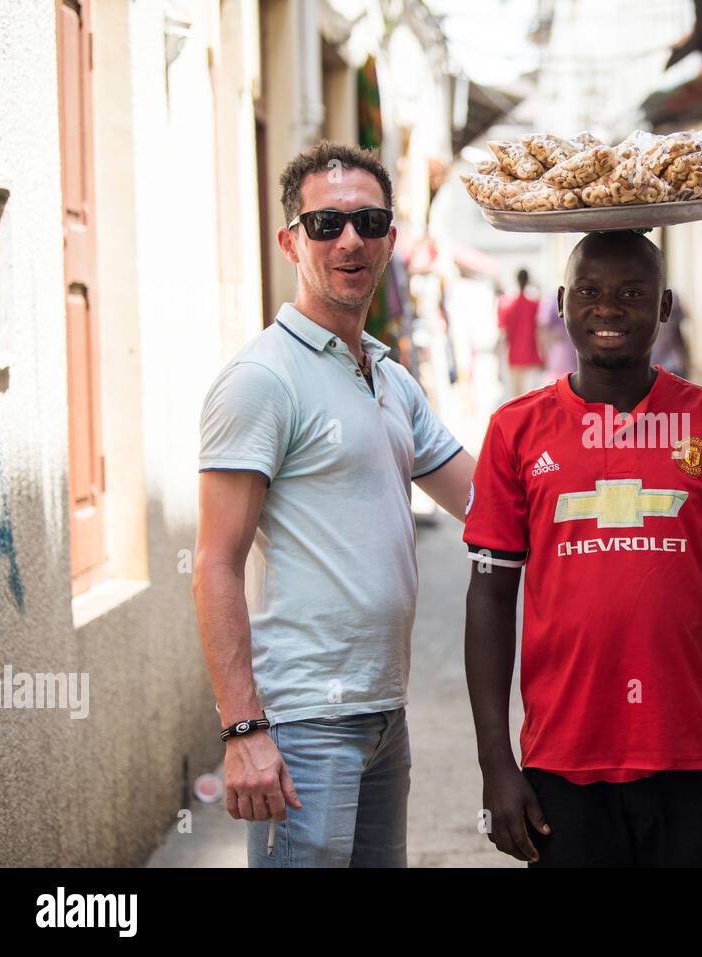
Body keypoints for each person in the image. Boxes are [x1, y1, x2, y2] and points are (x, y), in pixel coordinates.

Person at [463, 231, 702, 867]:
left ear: (664, 307)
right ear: (561, 303)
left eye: (632, 293)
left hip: (694, 754)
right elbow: (490, 593)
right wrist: (497, 764)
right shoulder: (516, 429)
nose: (608, 309)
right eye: (588, 292)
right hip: (564, 759)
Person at [194, 141, 475, 867]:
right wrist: (242, 728)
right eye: (326, 224)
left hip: (384, 713)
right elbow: (215, 564)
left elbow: (484, 501)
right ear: (291, 240)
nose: (349, 239)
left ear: (389, 237)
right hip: (305, 722)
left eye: (369, 221)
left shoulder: (389, 376)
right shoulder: (262, 379)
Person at [497, 268, 543, 396]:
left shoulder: (508, 306)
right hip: (531, 357)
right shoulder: (535, 305)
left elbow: (503, 336)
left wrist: (498, 365)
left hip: (514, 358)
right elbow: (540, 332)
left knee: (515, 397)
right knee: (530, 397)